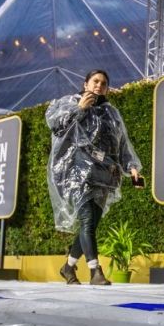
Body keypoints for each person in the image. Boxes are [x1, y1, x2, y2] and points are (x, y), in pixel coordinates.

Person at [46, 69, 143, 286]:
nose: (99, 85)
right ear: (86, 83)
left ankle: (68, 268)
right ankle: (95, 272)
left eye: (104, 83)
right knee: (88, 221)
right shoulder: (71, 103)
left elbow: (122, 143)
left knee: (89, 226)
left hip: (104, 177)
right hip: (75, 174)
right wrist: (80, 109)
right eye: (95, 81)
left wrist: (132, 167)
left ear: (107, 88)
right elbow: (56, 126)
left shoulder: (111, 113)